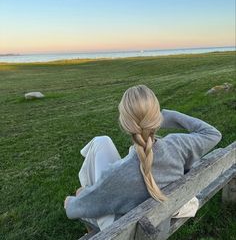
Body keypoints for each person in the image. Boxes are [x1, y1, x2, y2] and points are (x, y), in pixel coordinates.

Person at [64, 84, 222, 234]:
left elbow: (72, 210)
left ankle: (90, 187)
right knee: (101, 141)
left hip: (124, 228)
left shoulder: (117, 175)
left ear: (124, 123)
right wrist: (164, 117)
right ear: (156, 117)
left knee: (95, 158)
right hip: (161, 212)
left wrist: (78, 195)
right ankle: (92, 188)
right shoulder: (178, 145)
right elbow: (212, 133)